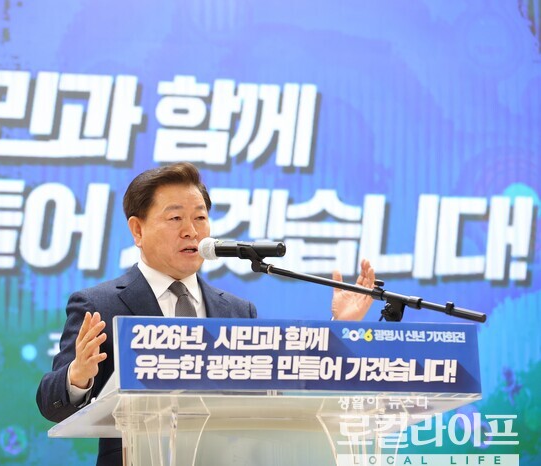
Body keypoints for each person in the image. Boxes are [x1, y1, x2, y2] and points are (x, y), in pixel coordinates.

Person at [36, 162, 376, 466]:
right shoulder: (100, 305)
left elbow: (276, 398)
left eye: (200, 217)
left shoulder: (238, 312)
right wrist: (78, 377)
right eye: (175, 218)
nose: (192, 230)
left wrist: (340, 328)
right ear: (137, 230)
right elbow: (52, 405)